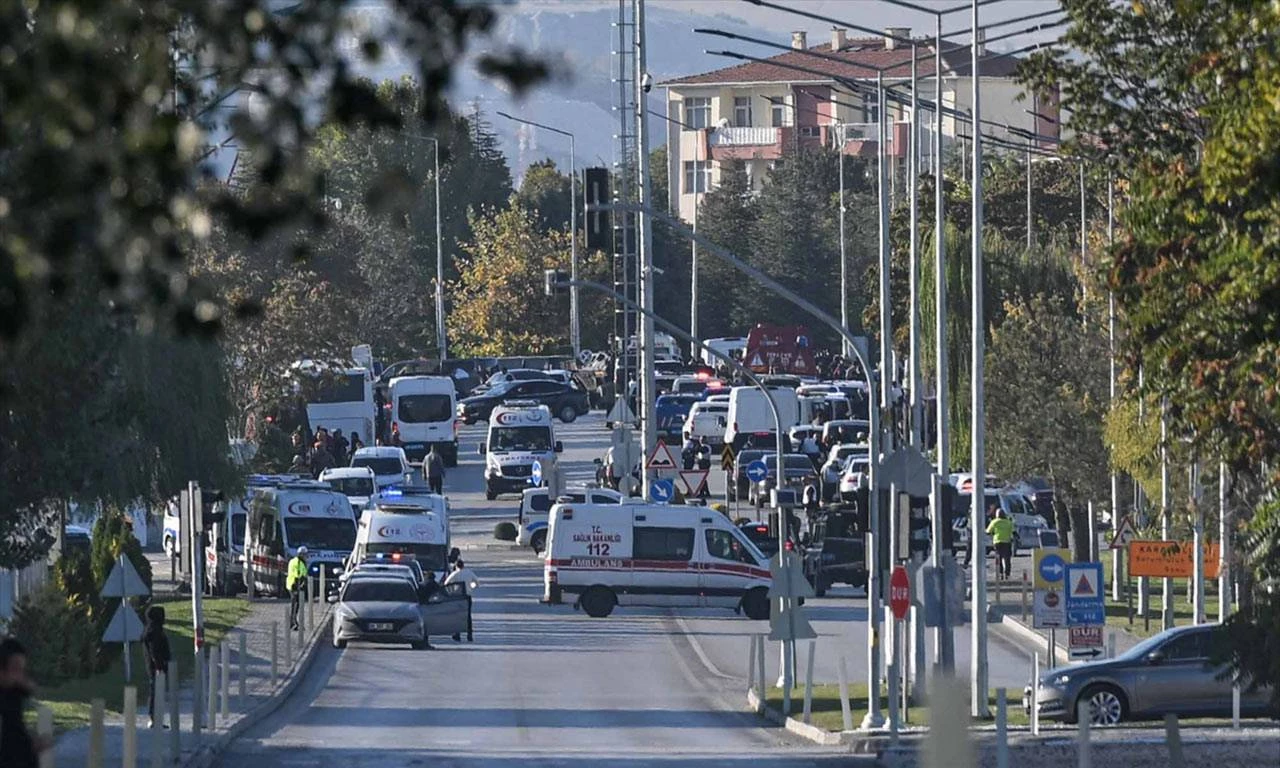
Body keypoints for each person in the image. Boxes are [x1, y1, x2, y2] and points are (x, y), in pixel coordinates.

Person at [0, 637, 49, 767]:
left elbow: (16, 726)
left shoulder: (15, 690)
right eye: (15, 668)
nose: (19, 675)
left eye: (22, 669)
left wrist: (32, 743)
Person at [141, 605, 172, 728]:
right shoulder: (153, 632)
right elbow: (154, 651)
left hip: (158, 666)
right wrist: (159, 665)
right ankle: (154, 718)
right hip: (157, 667)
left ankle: (157, 718)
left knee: (157, 691)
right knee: (156, 692)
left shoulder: (153, 629)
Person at [444, 558, 479, 642]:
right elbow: (477, 583)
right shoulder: (469, 573)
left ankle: (457, 634)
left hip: (458, 597)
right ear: (463, 565)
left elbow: (446, 583)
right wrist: (471, 587)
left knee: (457, 615)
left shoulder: (455, 574)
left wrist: (452, 589)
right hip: (467, 596)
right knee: (468, 616)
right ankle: (469, 635)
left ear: (456, 566)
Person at [986, 507, 1015, 580]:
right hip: (1007, 542)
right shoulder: (1008, 522)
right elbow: (1013, 532)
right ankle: (1007, 574)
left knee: (998, 558)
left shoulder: (994, 522)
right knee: (1007, 559)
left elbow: (988, 532)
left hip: (997, 542)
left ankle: (1000, 573)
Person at [286, 546, 308, 630]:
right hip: (294, 585)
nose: (306, 556)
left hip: (292, 584)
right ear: (301, 554)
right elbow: (297, 575)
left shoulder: (295, 561)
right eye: (305, 554)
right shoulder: (298, 562)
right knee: (295, 604)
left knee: (296, 604)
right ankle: (293, 623)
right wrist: (300, 584)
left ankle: (293, 622)